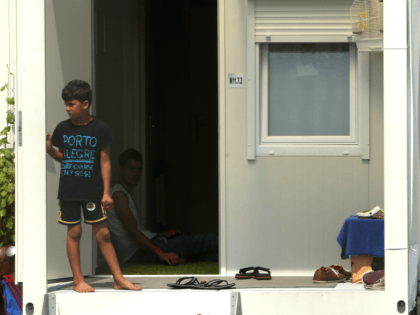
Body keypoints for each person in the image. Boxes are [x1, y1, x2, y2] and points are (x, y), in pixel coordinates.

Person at [46, 80, 141, 292]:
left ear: (85, 103)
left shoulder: (100, 128)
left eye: (71, 104)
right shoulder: (62, 128)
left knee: (103, 233)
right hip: (69, 191)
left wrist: (107, 192)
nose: (67, 108)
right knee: (75, 232)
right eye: (66, 104)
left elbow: (105, 161)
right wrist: (51, 150)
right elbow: (65, 157)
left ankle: (118, 279)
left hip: (93, 191)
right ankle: (78, 280)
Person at [107, 148, 218, 266]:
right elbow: (133, 232)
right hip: (141, 253)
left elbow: (137, 230)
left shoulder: (124, 194)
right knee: (208, 240)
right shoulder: (119, 195)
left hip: (147, 247)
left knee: (209, 256)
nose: (136, 174)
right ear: (120, 169)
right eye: (131, 168)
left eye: (139, 169)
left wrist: (162, 235)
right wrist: (162, 254)